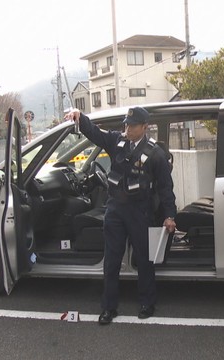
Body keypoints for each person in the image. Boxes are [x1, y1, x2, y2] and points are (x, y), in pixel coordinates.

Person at [65, 106, 177, 325]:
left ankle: (147, 302)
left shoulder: (155, 153)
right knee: (112, 261)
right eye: (125, 124)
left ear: (145, 127)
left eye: (132, 125)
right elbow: (95, 134)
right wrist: (81, 117)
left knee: (144, 260)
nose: (127, 128)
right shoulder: (116, 141)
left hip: (139, 210)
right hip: (115, 209)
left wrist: (170, 215)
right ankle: (108, 307)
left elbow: (165, 188)